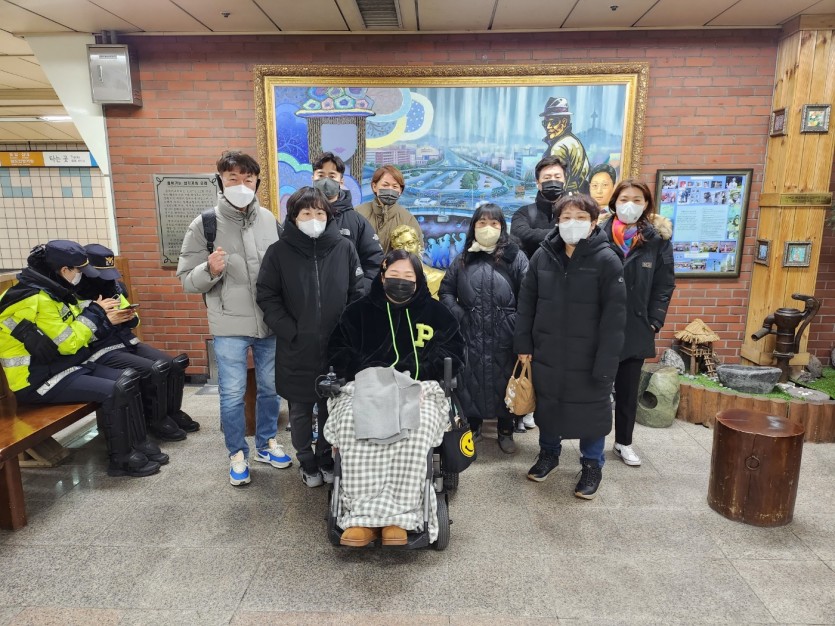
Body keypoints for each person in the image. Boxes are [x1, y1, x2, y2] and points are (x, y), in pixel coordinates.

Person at [326, 249, 464, 547]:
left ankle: (401, 517)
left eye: (408, 276)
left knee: (417, 430)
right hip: (366, 387)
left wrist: (422, 375)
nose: (400, 281)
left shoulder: (437, 313)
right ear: (382, 276)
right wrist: (365, 374)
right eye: (394, 275)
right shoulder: (358, 312)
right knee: (350, 425)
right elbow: (338, 351)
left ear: (418, 280)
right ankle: (361, 517)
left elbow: (453, 353)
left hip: (420, 388)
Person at [0, 241, 162, 477]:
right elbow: (68, 343)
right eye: (78, 270)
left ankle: (138, 443)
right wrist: (97, 313)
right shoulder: (32, 299)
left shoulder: (52, 291)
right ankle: (122, 459)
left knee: (130, 378)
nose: (81, 276)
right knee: (115, 389)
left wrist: (99, 315)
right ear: (64, 270)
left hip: (63, 367)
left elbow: (77, 326)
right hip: (37, 380)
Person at [177, 150, 290, 487]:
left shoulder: (270, 220)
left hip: (269, 322)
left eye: (248, 179)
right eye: (233, 178)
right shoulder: (204, 224)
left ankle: (266, 444)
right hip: (228, 324)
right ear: (221, 181)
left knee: (271, 388)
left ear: (257, 182)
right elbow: (187, 280)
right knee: (232, 393)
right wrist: (209, 270)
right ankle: (237, 453)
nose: (241, 185)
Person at [514, 194, 626, 499]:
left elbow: (615, 318)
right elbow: (526, 304)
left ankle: (592, 465)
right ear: (557, 222)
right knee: (549, 406)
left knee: (592, 412)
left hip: (589, 355)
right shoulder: (542, 256)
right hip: (548, 350)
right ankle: (548, 454)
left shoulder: (607, 260)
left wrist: (607, 361)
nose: (572, 223)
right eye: (566, 218)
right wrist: (523, 344)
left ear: (593, 223)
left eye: (580, 218)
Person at [256, 186, 363, 488]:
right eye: (306, 213)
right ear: (294, 217)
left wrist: (347, 331)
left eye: (319, 212)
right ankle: (306, 460)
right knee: (301, 410)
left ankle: (326, 457)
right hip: (296, 347)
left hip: (336, 347)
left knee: (332, 408)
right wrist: (290, 330)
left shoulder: (344, 248)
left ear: (328, 216)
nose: (313, 218)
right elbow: (266, 295)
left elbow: (357, 293)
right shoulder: (278, 252)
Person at [77, 243, 200, 441]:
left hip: (127, 342)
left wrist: (129, 317)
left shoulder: (113, 287)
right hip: (100, 350)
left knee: (172, 364)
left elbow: (133, 318)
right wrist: (106, 320)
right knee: (153, 370)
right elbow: (78, 334)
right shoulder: (74, 295)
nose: (106, 279)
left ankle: (171, 412)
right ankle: (155, 420)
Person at [439, 204, 528, 453]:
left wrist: (515, 321)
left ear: (502, 227)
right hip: (471, 332)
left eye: (494, 223)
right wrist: (459, 314)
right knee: (472, 380)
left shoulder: (515, 257)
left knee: (505, 379)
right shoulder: (464, 258)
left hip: (506, 334)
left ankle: (506, 429)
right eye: (482, 223)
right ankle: (474, 426)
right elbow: (446, 291)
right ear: (473, 227)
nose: (488, 228)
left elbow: (529, 294)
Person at [600, 180, 675, 467]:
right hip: (600, 326)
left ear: (646, 205)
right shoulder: (598, 235)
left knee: (628, 391)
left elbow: (664, 284)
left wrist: (655, 320)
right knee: (595, 389)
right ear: (614, 203)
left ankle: (624, 442)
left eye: (637, 200)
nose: (629, 205)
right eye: (624, 199)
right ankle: (591, 442)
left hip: (636, 325)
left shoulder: (657, 240)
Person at [311, 152, 383, 292]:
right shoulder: (298, 217)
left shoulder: (357, 222)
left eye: (332, 176)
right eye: (321, 175)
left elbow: (374, 262)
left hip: (348, 299)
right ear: (313, 178)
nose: (326, 180)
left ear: (341, 181)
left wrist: (359, 292)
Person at [355, 165, 424, 254]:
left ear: (400, 191)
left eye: (395, 187)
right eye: (385, 185)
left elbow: (417, 252)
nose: (390, 190)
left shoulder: (408, 219)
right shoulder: (358, 213)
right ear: (374, 186)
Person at [511, 156, 567, 259]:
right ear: (537, 183)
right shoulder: (524, 213)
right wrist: (562, 233)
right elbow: (518, 233)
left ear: (565, 181)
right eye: (547, 178)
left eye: (557, 177)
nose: (553, 181)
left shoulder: (576, 212)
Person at [539, 97, 590, 194]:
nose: (548, 127)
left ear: (564, 122)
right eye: (545, 123)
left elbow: (556, 187)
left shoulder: (559, 147)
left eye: (553, 122)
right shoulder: (573, 141)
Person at [389, 225, 445, 299]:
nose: (405, 250)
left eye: (410, 244)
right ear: (393, 251)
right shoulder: (388, 281)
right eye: (399, 246)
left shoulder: (440, 277)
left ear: (419, 246)